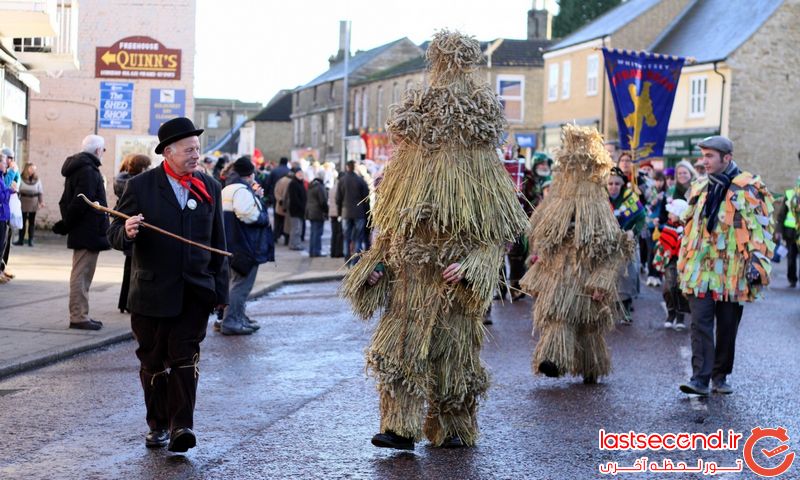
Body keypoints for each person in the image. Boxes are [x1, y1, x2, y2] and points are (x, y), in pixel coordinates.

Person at [341, 31, 528, 450]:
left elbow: (497, 237)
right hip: (410, 291)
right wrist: (376, 272)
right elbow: (387, 239)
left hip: (452, 291)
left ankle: (454, 429)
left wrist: (472, 267)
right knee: (400, 356)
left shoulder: (479, 176)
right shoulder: (405, 182)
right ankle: (399, 428)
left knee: (454, 363)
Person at [107, 117, 229, 452]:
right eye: (189, 149)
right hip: (150, 292)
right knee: (152, 361)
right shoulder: (140, 187)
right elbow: (114, 231)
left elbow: (219, 242)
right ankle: (158, 424)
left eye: (198, 149)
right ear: (168, 152)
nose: (196, 155)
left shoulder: (210, 187)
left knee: (184, 357)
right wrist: (127, 232)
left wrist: (222, 293)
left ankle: (182, 427)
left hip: (195, 291)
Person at [521, 125, 634, 383]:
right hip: (560, 278)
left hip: (586, 279)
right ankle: (553, 360)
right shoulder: (556, 206)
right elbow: (540, 237)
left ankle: (591, 365)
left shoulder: (597, 211)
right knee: (559, 318)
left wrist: (602, 282)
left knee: (589, 330)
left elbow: (616, 250)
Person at [677, 136, 774, 396]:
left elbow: (760, 230)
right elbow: (692, 226)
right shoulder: (699, 188)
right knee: (700, 322)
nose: (703, 161)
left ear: (727, 158)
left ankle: (720, 375)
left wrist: (756, 262)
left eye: (709, 156)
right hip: (701, 269)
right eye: (703, 156)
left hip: (733, 271)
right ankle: (700, 378)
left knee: (727, 326)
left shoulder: (748, 189)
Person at [52, 135, 111, 330]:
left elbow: (66, 200)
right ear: (97, 151)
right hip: (88, 230)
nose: (103, 153)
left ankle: (81, 314)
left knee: (83, 274)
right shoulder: (88, 170)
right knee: (81, 274)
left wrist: (67, 224)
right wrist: (68, 223)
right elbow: (80, 201)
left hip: (85, 229)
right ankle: (78, 316)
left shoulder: (81, 168)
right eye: (103, 150)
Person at [220, 156, 273, 335]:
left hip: (232, 244)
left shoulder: (229, 188)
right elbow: (248, 215)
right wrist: (264, 218)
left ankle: (236, 318)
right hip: (245, 246)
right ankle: (232, 321)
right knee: (241, 286)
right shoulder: (241, 191)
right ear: (250, 174)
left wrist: (255, 196)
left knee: (234, 284)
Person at [114, 154, 152, 313]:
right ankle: (129, 303)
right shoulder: (137, 185)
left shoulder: (121, 181)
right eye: (147, 166)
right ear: (142, 168)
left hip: (128, 229)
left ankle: (124, 303)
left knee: (129, 269)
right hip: (133, 229)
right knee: (134, 271)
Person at [608, 166, 645, 323]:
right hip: (605, 243)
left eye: (617, 183)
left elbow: (641, 217)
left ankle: (625, 307)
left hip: (626, 242)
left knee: (626, 274)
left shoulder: (630, 198)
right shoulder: (600, 199)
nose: (613, 187)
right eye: (610, 183)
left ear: (622, 184)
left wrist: (633, 232)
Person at [651, 199, 690, 330]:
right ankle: (671, 311)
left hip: (683, 261)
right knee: (669, 287)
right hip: (670, 260)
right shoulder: (668, 225)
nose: (669, 215)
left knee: (680, 288)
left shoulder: (686, 228)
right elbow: (664, 240)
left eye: (672, 213)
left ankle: (680, 316)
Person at [336, 160, 370, 264]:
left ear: (347, 167)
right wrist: (368, 213)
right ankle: (355, 261)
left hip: (346, 213)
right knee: (358, 238)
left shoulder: (342, 180)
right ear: (355, 168)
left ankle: (347, 259)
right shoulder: (361, 181)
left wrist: (339, 214)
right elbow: (366, 199)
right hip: (359, 213)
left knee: (346, 237)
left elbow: (338, 199)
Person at [775, 177, 800, 288]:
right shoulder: (789, 194)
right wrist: (778, 231)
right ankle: (792, 279)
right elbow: (781, 215)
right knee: (791, 257)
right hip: (790, 233)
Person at [15, 162, 44, 247]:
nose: (33, 171)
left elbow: (40, 191)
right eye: (31, 169)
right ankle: (20, 240)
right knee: (22, 222)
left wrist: (41, 202)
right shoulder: (21, 178)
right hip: (23, 202)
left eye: (34, 169)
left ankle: (30, 240)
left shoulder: (37, 179)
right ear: (27, 169)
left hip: (33, 202)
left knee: (32, 222)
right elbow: (17, 190)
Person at [1, 148, 19, 278]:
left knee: (5, 243)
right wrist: (12, 172)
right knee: (1, 243)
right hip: (2, 212)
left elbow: (15, 184)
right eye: (9, 159)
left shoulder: (6, 172)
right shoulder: (5, 173)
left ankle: (2, 267)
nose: (10, 162)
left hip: (7, 211)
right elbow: (6, 187)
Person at [305, 170, 328, 257]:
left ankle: (312, 251)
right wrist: (326, 210)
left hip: (311, 212)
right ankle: (316, 251)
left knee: (313, 232)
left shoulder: (312, 185)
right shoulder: (320, 187)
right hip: (318, 212)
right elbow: (323, 201)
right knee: (317, 233)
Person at [287, 167, 307, 250]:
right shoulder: (293, 183)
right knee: (296, 229)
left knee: (298, 229)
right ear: (295, 174)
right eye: (299, 173)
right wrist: (302, 206)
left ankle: (297, 243)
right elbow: (294, 198)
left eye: (301, 173)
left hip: (300, 210)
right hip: (296, 210)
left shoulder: (300, 183)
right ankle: (293, 245)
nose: (300, 174)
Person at [0, 154, 12, 284]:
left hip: (3, 215)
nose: (6, 164)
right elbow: (1, 197)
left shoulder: (2, 177)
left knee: (3, 245)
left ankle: (1, 270)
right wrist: (10, 191)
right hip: (1, 215)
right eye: (3, 162)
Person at [273, 168, 293, 246]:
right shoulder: (291, 182)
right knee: (286, 224)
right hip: (287, 206)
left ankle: (275, 237)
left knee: (278, 223)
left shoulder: (280, 181)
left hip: (279, 204)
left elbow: (276, 191)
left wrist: (279, 199)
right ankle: (286, 240)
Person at [328, 170, 344, 258]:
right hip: (338, 213)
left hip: (332, 213)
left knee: (334, 233)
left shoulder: (333, 187)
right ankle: (338, 252)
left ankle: (332, 252)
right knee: (339, 233)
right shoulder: (340, 187)